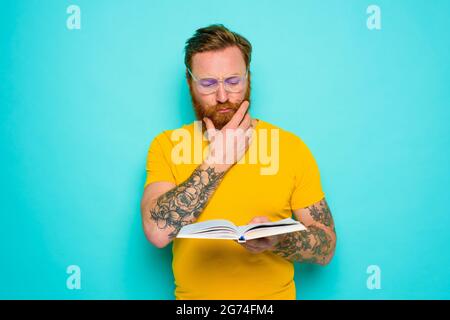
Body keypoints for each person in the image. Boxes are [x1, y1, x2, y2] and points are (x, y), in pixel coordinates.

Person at [140, 24, 337, 300]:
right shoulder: (167, 145)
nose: (222, 96)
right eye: (208, 83)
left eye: (233, 81)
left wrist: (279, 240)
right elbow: (157, 232)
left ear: (249, 78)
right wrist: (218, 161)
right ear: (189, 82)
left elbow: (326, 248)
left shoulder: (290, 147)